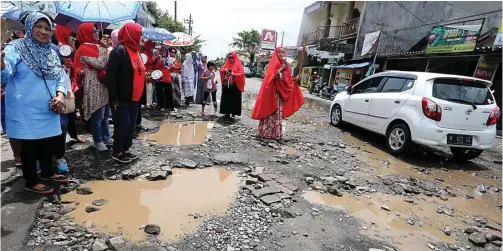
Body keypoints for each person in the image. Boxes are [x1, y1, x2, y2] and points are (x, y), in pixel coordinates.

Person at [1, 12, 69, 193]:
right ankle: (31, 181)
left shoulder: (51, 51)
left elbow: (59, 78)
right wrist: (1, 64)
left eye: (47, 28)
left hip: (49, 108)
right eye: (38, 26)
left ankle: (48, 172)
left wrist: (60, 95)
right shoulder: (15, 48)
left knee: (48, 142)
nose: (43, 31)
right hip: (25, 109)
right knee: (30, 146)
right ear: (29, 28)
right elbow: (5, 75)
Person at [106, 22, 145, 163]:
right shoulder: (119, 51)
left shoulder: (136, 51)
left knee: (131, 125)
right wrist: (114, 98)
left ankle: (125, 149)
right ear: (131, 34)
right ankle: (117, 151)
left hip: (135, 98)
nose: (142, 38)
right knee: (123, 125)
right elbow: (111, 76)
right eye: (139, 34)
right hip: (122, 98)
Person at [251, 47, 304, 140]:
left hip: (279, 96)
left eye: (283, 52)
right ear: (276, 53)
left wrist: (295, 80)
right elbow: (269, 79)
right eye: (279, 52)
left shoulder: (287, 66)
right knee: (270, 113)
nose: (281, 54)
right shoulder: (272, 65)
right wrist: (279, 71)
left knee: (277, 114)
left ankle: (275, 134)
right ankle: (265, 133)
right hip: (271, 94)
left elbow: (288, 81)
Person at [74, 23, 111, 152]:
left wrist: (103, 49)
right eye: (93, 31)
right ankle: (98, 140)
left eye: (97, 31)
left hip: (104, 83)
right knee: (98, 115)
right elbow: (100, 64)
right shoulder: (83, 48)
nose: (96, 33)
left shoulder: (98, 47)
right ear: (86, 33)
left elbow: (107, 62)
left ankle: (106, 137)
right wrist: (104, 49)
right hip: (94, 85)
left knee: (106, 114)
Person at [55, 24, 86, 144]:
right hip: (61, 86)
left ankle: (73, 134)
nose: (71, 39)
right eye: (69, 36)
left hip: (68, 84)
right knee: (64, 112)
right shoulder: (60, 49)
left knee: (71, 111)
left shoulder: (67, 49)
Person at [219, 51, 245, 119]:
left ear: (235, 57)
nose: (230, 59)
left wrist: (234, 74)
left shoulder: (239, 64)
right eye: (229, 57)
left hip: (235, 85)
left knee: (234, 99)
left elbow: (242, 74)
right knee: (226, 99)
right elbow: (221, 69)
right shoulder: (227, 63)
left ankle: (233, 113)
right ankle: (226, 113)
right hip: (227, 84)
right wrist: (225, 70)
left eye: (232, 57)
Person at [154, 47, 174, 111]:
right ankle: (161, 106)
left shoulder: (169, 59)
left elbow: (171, 69)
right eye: (162, 51)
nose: (163, 52)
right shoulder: (158, 58)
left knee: (169, 92)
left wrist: (172, 66)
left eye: (164, 51)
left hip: (167, 77)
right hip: (159, 77)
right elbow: (156, 67)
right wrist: (159, 60)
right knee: (160, 93)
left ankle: (169, 106)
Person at [143, 40, 156, 109]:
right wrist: (154, 59)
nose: (152, 48)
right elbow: (147, 62)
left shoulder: (151, 54)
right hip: (147, 72)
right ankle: (148, 103)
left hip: (152, 72)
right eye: (151, 47)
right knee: (149, 88)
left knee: (152, 88)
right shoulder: (145, 54)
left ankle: (150, 102)